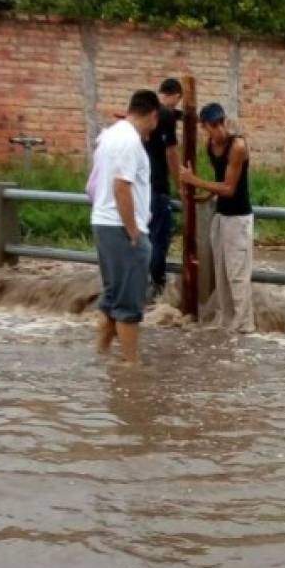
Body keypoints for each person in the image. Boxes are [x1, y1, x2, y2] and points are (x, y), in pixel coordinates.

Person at [90, 89, 160, 364]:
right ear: (153, 115)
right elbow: (122, 186)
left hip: (104, 222)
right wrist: (133, 230)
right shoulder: (130, 141)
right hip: (121, 227)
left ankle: (101, 356)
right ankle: (132, 369)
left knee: (112, 297)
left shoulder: (110, 134)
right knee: (128, 303)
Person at [179, 102, 255, 333]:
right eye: (209, 128)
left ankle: (244, 327)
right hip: (221, 215)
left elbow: (230, 188)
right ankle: (228, 324)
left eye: (215, 126)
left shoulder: (238, 147)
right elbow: (219, 180)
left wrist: (194, 181)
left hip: (238, 218)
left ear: (220, 123)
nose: (214, 132)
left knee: (237, 275)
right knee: (221, 274)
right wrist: (204, 195)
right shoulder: (211, 145)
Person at [144, 78, 184, 297]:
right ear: (175, 95)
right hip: (158, 186)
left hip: (141, 186)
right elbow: (171, 153)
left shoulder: (149, 112)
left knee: (145, 234)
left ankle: (143, 280)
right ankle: (157, 284)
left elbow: (171, 115)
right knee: (160, 237)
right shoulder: (167, 116)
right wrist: (179, 186)